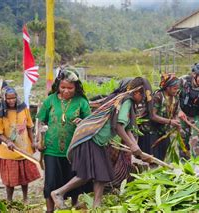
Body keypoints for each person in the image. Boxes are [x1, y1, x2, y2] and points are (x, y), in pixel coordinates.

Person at [50, 77, 154, 209]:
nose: (143, 101)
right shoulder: (126, 101)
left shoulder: (128, 105)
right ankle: (59, 193)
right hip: (91, 139)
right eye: (143, 97)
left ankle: (96, 206)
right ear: (137, 92)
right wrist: (133, 146)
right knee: (86, 174)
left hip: (97, 142)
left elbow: (128, 130)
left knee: (102, 174)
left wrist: (137, 149)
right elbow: (118, 126)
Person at [36, 69, 92, 212]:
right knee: (50, 181)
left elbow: (90, 122)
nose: (66, 91)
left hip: (73, 148)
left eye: (70, 88)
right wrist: (39, 139)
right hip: (51, 148)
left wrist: (82, 122)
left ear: (76, 87)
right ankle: (50, 210)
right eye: (63, 87)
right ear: (58, 86)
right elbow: (41, 120)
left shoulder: (81, 102)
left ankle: (73, 204)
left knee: (72, 177)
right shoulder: (50, 100)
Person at [0, 87, 40, 202]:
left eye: (13, 98)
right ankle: (9, 200)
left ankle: (25, 198)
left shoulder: (23, 108)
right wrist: (8, 141)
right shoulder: (0, 112)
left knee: (24, 177)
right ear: (4, 98)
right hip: (9, 151)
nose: (11, 101)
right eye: (8, 98)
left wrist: (33, 142)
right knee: (9, 179)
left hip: (24, 148)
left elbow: (29, 126)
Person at [178, 62, 199, 157]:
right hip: (182, 114)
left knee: (196, 141)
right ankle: (184, 162)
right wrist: (178, 110)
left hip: (196, 116)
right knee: (182, 140)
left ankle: (197, 165)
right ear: (194, 74)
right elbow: (174, 95)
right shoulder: (183, 81)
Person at [148, 73, 181, 160]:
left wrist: (176, 123)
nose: (176, 91)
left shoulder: (176, 98)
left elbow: (175, 114)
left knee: (163, 157)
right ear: (167, 87)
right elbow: (152, 115)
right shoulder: (158, 97)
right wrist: (170, 122)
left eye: (177, 89)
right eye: (174, 89)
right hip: (152, 132)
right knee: (153, 158)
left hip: (164, 132)